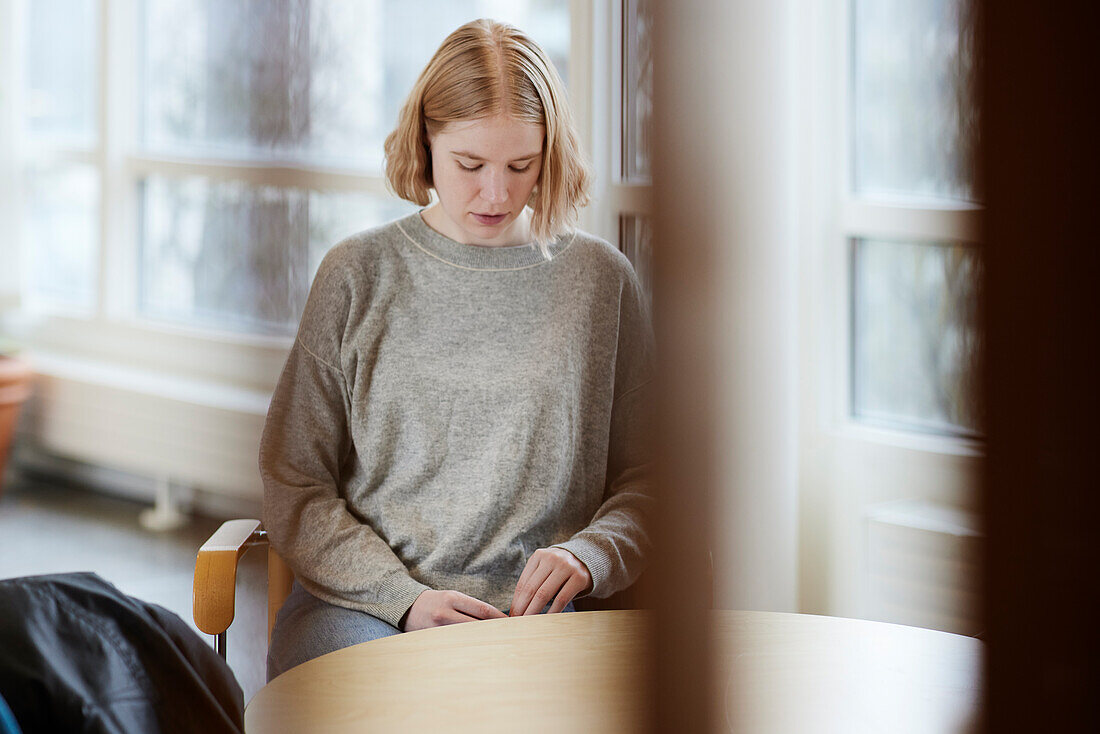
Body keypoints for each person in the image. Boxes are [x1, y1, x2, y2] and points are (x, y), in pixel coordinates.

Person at [260, 18, 655, 682]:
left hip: (543, 620)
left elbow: (654, 481)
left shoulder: (600, 283)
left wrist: (593, 554)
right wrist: (403, 598)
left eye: (521, 166)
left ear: (549, 155)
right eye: (469, 165)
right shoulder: (357, 274)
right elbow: (295, 483)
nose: (496, 193)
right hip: (369, 612)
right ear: (424, 145)